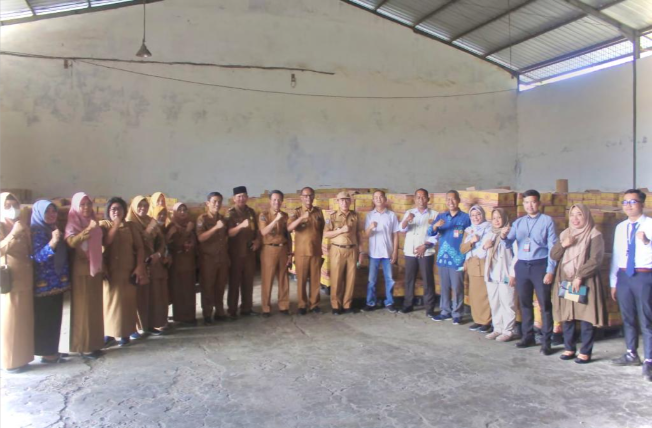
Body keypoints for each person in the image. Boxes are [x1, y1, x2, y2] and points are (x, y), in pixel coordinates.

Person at [501, 189, 558, 355]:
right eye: (526, 202)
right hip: (522, 266)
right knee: (525, 303)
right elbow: (508, 243)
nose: (530, 206)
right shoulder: (518, 222)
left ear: (538, 203)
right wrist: (504, 236)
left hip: (540, 265)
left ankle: (546, 342)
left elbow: (552, 248)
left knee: (544, 304)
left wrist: (550, 270)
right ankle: (528, 336)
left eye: (533, 202)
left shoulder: (547, 221)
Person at [550, 204, 607, 364]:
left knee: (586, 316)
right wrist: (564, 244)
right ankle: (569, 348)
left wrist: (580, 275)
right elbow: (554, 255)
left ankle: (585, 352)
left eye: (579, 214)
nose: (575, 218)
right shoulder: (565, 234)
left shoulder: (594, 234)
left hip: (586, 280)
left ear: (586, 216)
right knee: (568, 315)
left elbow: (595, 259)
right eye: (572, 215)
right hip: (565, 278)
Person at [610, 189, 652, 381]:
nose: (628, 206)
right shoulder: (620, 228)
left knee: (646, 318)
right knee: (627, 317)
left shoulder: (650, 224)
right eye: (625, 202)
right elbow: (616, 255)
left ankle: (649, 360)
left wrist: (647, 241)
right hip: (624, 276)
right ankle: (631, 353)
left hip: (644, 276)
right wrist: (614, 282)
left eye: (632, 202)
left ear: (642, 204)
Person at [100, 197, 148, 347]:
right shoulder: (104, 225)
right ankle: (109, 334)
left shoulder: (131, 226)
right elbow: (106, 242)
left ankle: (125, 333)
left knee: (127, 303)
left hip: (128, 271)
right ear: (108, 211)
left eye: (119, 209)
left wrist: (139, 266)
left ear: (124, 210)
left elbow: (140, 248)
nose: (116, 211)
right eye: (113, 209)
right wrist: (115, 224)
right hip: (111, 271)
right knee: (110, 303)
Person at [65, 192, 105, 359]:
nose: (86, 207)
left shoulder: (94, 220)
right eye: (82, 205)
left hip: (95, 268)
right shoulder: (72, 222)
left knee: (94, 307)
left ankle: (94, 343)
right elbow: (71, 242)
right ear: (76, 206)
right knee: (83, 309)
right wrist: (87, 230)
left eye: (88, 204)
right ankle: (83, 345)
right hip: (81, 270)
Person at [31, 200, 70, 363]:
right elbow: (37, 257)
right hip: (44, 283)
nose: (51, 215)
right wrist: (52, 242)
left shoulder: (53, 228)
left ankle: (53, 350)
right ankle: (47, 353)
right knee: (45, 318)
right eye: (47, 211)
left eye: (53, 211)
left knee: (55, 318)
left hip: (56, 282)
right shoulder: (36, 231)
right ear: (39, 213)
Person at [0, 192, 34, 372]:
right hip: (10, 279)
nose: (12, 209)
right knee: (10, 320)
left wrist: (24, 231)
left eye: (15, 205)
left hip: (25, 277)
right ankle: (10, 361)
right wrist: (14, 233)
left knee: (23, 320)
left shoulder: (21, 224)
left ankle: (23, 357)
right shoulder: (3, 226)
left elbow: (29, 249)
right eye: (7, 206)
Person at [126, 196, 169, 336]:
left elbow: (161, 241)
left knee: (152, 296)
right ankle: (136, 327)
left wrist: (158, 254)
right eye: (140, 205)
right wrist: (149, 230)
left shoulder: (151, 221)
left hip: (153, 262)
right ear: (133, 207)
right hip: (137, 264)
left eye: (145, 205)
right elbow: (134, 243)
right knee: (138, 297)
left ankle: (150, 324)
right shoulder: (129, 223)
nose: (143, 208)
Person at [430, 191, 471, 324]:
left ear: (458, 200)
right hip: (443, 258)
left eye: (453, 199)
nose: (450, 202)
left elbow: (470, 238)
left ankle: (457, 313)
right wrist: (435, 226)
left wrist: (467, 259)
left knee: (457, 287)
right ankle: (445, 311)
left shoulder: (465, 218)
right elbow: (430, 232)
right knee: (444, 287)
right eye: (448, 199)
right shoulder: (441, 216)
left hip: (458, 259)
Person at [398, 189, 438, 315]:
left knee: (428, 279)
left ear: (428, 199)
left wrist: (425, 246)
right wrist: (406, 220)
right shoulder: (409, 212)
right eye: (418, 197)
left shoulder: (434, 214)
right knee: (409, 279)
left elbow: (437, 235)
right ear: (414, 199)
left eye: (423, 197)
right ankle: (408, 304)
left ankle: (429, 308)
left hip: (426, 252)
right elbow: (401, 229)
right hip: (410, 251)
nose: (421, 200)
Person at [287, 187, 325, 315]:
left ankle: (314, 304)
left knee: (315, 280)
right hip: (301, 252)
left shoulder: (318, 212)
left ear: (313, 197)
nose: (308, 198)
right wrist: (301, 218)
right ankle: (302, 305)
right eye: (305, 196)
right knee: (302, 280)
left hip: (315, 251)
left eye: (310, 195)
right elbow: (289, 228)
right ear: (301, 197)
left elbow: (321, 230)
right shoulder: (297, 212)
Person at [324, 192, 362, 315]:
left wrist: (361, 252)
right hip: (337, 250)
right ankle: (336, 305)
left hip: (352, 250)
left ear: (350, 201)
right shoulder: (332, 216)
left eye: (346, 200)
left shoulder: (355, 216)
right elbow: (326, 234)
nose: (344, 202)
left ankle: (347, 305)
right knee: (336, 278)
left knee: (351, 279)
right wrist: (340, 231)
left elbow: (358, 234)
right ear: (338, 202)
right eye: (341, 200)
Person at [483, 208, 518, 342]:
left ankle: (508, 330)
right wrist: (485, 246)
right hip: (492, 273)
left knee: (508, 303)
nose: (496, 221)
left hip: (506, 273)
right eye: (494, 218)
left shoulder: (511, 233)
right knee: (495, 302)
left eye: (499, 217)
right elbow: (482, 251)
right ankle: (497, 328)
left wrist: (513, 274)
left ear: (504, 218)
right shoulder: (490, 233)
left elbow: (517, 255)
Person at [362, 191, 399, 313]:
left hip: (387, 253)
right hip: (374, 253)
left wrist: (395, 252)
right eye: (376, 197)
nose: (378, 199)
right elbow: (366, 235)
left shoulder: (391, 215)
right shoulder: (369, 215)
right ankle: (370, 302)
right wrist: (370, 227)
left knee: (390, 279)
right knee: (372, 280)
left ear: (385, 199)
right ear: (373, 200)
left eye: (380, 197)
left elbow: (396, 235)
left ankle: (389, 302)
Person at [226, 186, 261, 318]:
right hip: (236, 254)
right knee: (234, 282)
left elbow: (257, 230)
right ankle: (232, 310)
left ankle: (247, 308)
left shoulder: (251, 212)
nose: (241, 198)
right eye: (239, 196)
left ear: (247, 197)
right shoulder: (231, 214)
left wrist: (257, 241)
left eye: (243, 196)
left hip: (249, 253)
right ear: (234, 198)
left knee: (248, 282)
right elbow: (229, 233)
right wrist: (241, 226)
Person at [196, 192, 230, 324]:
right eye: (214, 201)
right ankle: (207, 314)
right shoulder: (202, 219)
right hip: (208, 259)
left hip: (222, 258)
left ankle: (220, 312)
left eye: (219, 201)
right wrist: (216, 227)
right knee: (208, 287)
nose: (217, 204)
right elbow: (201, 238)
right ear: (208, 203)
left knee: (220, 286)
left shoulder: (222, 218)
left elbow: (226, 237)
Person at [259, 190, 292, 317]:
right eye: (274, 200)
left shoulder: (285, 215)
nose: (276, 202)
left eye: (279, 200)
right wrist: (276, 220)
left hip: (283, 248)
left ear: (282, 201)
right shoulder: (264, 215)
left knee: (284, 279)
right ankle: (266, 307)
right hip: (269, 249)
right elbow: (263, 232)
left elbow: (288, 235)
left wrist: (290, 253)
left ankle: (284, 306)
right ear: (270, 201)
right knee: (267, 279)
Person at [460, 205, 492, 332]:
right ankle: (478, 320)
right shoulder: (469, 231)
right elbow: (462, 249)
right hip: (472, 264)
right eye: (473, 215)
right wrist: (471, 242)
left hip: (484, 263)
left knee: (484, 295)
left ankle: (486, 321)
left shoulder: (490, 228)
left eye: (478, 214)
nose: (476, 218)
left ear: (483, 215)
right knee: (474, 295)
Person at [167, 202, 198, 326]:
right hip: (178, 264)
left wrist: (191, 243)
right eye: (179, 210)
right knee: (179, 291)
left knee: (189, 290)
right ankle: (180, 317)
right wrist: (187, 232)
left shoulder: (190, 224)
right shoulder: (172, 226)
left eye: (184, 210)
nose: (182, 212)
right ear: (175, 212)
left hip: (189, 263)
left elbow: (196, 242)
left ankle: (190, 316)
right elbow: (173, 245)